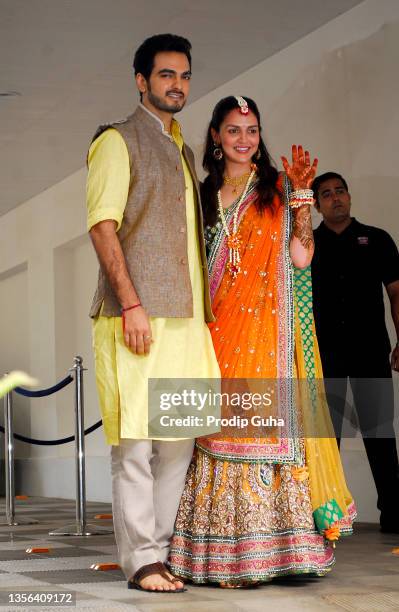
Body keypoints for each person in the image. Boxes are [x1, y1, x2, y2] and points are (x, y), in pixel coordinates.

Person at [168, 96, 356, 586]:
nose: (244, 140)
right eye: (233, 130)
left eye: (251, 131)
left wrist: (300, 203)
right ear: (215, 136)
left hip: (268, 333)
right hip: (216, 329)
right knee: (216, 428)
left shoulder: (275, 190)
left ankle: (283, 548)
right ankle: (217, 554)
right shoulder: (202, 193)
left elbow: (299, 260)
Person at [86, 34, 220, 593]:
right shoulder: (118, 141)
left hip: (187, 323)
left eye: (184, 75)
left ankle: (161, 554)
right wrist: (133, 303)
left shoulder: (184, 152)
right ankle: (141, 559)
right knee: (137, 444)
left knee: (178, 444)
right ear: (142, 80)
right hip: (136, 317)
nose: (177, 85)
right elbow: (102, 225)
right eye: (166, 75)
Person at [311, 171, 399, 533]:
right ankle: (325, 518)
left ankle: (393, 512)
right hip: (323, 355)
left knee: (380, 434)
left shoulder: (376, 240)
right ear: (316, 205)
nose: (336, 199)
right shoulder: (306, 245)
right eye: (327, 194)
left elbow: (396, 293)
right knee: (325, 438)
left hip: (369, 350)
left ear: (349, 196)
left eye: (341, 192)